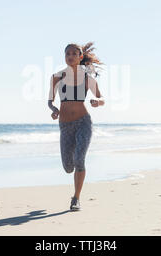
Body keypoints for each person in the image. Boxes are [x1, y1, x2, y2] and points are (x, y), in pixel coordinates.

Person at [48, 42, 105, 211]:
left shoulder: (88, 78)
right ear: (64, 57)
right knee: (68, 167)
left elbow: (102, 98)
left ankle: (76, 198)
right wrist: (54, 109)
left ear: (80, 57)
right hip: (65, 125)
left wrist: (97, 102)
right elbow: (49, 101)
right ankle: (74, 158)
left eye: (74, 53)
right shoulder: (56, 77)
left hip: (83, 122)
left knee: (79, 160)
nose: (70, 56)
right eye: (68, 53)